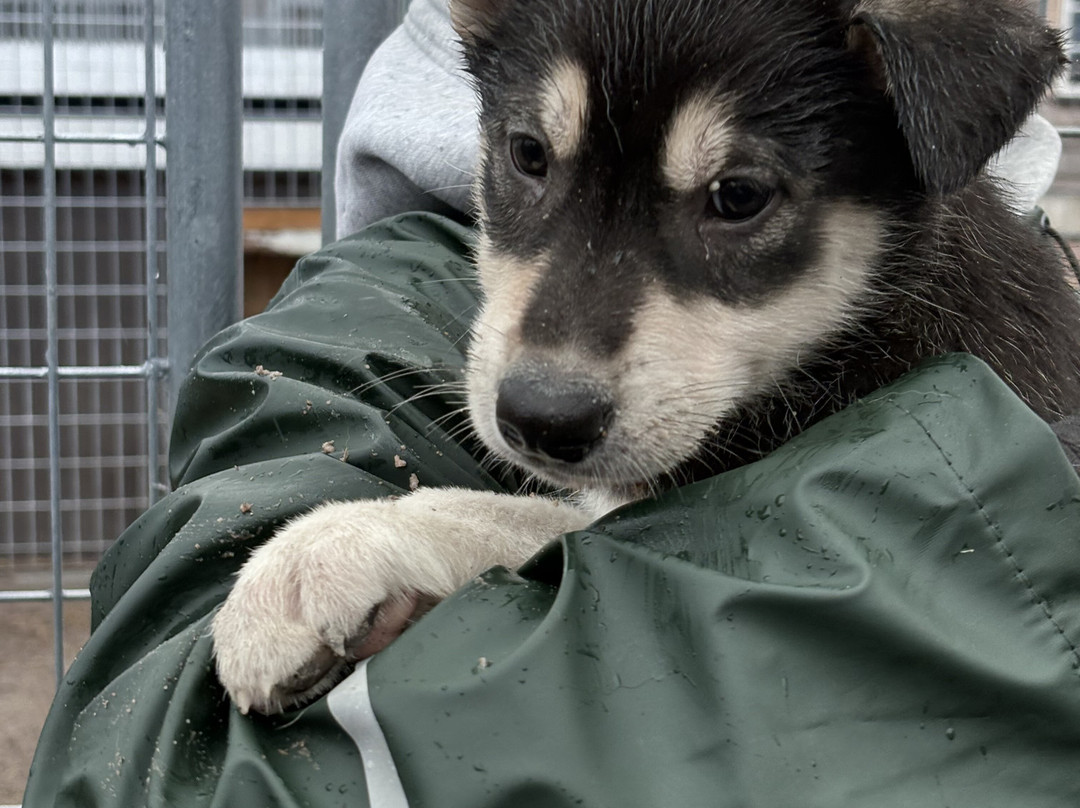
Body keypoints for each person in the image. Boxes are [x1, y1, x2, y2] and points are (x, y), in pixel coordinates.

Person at [24, 2, 1080, 805]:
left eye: (737, 198)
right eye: (531, 158)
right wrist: (442, 537)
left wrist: (450, 537)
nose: (559, 361)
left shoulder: (1008, 423)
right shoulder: (363, 329)